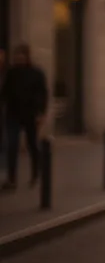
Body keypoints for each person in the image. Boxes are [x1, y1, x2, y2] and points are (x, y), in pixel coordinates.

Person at [0, 44, 48, 190]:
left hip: (30, 115)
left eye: (21, 55)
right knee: (12, 145)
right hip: (13, 114)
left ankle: (35, 173)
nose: (18, 58)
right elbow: (4, 92)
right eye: (17, 56)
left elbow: (42, 94)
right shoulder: (11, 73)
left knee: (32, 145)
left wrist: (40, 113)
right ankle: (12, 179)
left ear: (27, 57)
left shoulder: (36, 73)